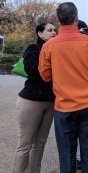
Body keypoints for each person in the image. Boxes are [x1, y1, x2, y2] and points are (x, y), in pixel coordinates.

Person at [38, 2, 88, 173]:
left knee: (66, 153)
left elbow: (45, 75)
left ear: (58, 19)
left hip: (64, 106)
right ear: (76, 17)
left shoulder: (48, 46)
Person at [13, 22, 57, 173]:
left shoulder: (57, 49)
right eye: (49, 30)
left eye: (54, 30)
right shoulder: (33, 49)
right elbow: (32, 70)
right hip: (31, 101)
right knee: (25, 143)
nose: (53, 32)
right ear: (40, 34)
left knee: (40, 143)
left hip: (50, 101)